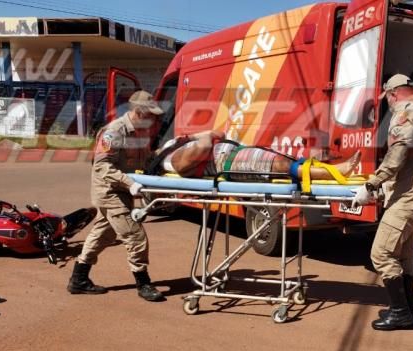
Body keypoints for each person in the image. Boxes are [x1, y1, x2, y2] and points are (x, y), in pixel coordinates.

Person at [352, 74, 413, 331]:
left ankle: (401, 312)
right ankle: (407, 309)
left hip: (410, 194)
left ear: (393, 93)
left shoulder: (406, 113)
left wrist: (372, 184)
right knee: (403, 253)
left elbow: (397, 154)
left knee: (381, 253)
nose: (387, 103)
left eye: (387, 98)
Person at [67, 90, 164, 302]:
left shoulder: (140, 132)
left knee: (104, 235)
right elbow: (102, 166)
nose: (153, 120)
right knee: (135, 236)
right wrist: (131, 183)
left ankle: (78, 279)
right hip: (109, 191)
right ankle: (143, 283)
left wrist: (164, 154)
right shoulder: (114, 132)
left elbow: (145, 159)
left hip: (122, 191)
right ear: (139, 112)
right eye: (150, 115)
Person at [148, 131, 361, 182]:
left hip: (232, 154)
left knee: (284, 160)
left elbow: (219, 135)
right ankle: (335, 173)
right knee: (280, 164)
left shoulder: (173, 149)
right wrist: (205, 135)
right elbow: (203, 148)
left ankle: (332, 169)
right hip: (227, 161)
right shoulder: (172, 160)